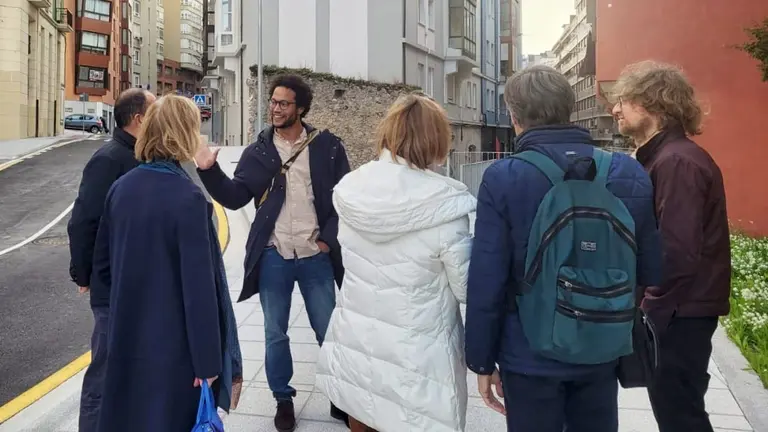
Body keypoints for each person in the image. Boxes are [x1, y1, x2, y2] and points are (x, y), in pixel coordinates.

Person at [465, 65, 662, 432]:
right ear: (569, 107)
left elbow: (486, 278)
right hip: (602, 348)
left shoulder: (504, 177)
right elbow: (650, 269)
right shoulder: (627, 172)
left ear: (514, 115)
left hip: (528, 352)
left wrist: (481, 359)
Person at [195, 74, 351, 431]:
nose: (275, 108)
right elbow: (235, 198)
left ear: (301, 108)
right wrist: (208, 169)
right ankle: (283, 399)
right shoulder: (259, 151)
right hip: (274, 256)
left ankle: (339, 396)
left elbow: (346, 197)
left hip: (315, 255)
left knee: (328, 330)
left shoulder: (327, 146)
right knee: (275, 333)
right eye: (273, 102)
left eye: (283, 103)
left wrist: (328, 239)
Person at [315, 93, 476, 432]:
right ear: (437, 139)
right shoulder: (446, 206)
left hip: (358, 346)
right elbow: (468, 290)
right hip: (419, 358)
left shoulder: (352, 190)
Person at [90, 94, 239, 431]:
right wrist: (207, 362)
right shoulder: (187, 198)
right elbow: (198, 288)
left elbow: (103, 266)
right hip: (174, 346)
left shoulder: (121, 189)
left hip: (127, 335)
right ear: (182, 133)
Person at [612, 60, 731, 432]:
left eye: (625, 100)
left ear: (654, 105)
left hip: (680, 314)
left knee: (680, 415)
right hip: (682, 310)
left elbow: (676, 251)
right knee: (678, 410)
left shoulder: (676, 161)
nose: (614, 109)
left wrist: (649, 312)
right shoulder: (667, 157)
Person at [67, 88, 155, 432]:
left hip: (137, 282)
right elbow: (83, 220)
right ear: (139, 119)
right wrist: (83, 273)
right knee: (103, 377)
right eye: (154, 111)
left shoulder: (140, 155)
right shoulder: (110, 159)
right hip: (113, 285)